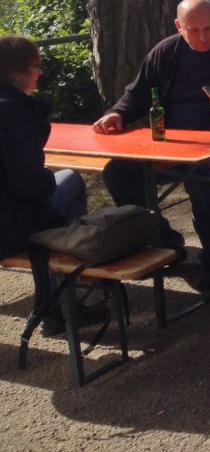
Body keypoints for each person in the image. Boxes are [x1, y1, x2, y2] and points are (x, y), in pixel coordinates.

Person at [94, 0, 210, 289]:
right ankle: (163, 241)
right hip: (172, 145)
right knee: (119, 172)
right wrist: (117, 113)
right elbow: (137, 93)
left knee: (202, 177)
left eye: (209, 28)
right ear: (179, 26)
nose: (203, 37)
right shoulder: (166, 52)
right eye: (194, 30)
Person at [0, 37, 94, 333]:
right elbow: (30, 186)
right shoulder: (13, 111)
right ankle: (62, 301)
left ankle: (63, 291)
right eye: (36, 66)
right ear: (17, 72)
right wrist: (46, 176)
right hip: (7, 226)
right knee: (72, 180)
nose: (40, 72)